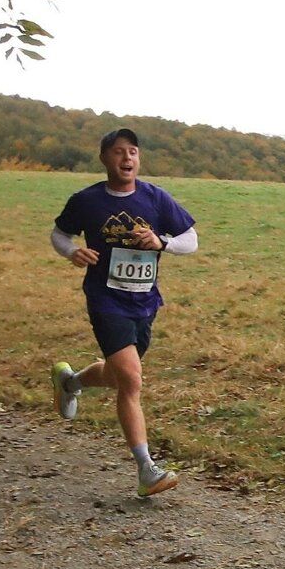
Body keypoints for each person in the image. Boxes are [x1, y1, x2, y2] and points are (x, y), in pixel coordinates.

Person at [46, 128, 199, 497]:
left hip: (144, 301)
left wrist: (162, 241)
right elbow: (59, 234)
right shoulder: (87, 200)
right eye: (118, 152)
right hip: (105, 299)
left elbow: (191, 239)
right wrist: (72, 252)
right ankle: (147, 469)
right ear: (104, 158)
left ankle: (70, 382)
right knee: (131, 380)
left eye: (133, 152)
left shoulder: (156, 198)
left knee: (118, 377)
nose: (127, 158)